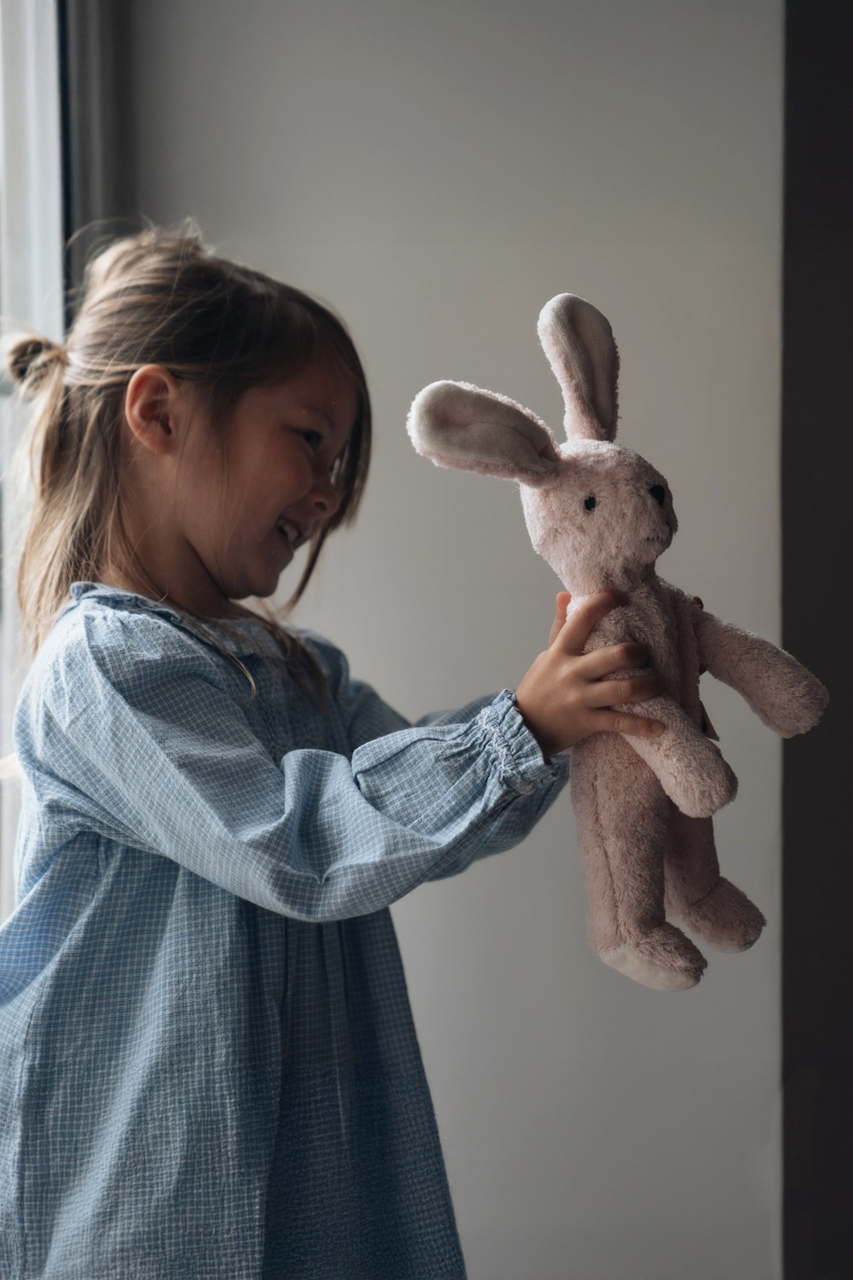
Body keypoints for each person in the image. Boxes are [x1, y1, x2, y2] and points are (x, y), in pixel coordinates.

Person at [0, 225, 665, 1280]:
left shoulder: (296, 670)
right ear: (158, 412)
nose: (326, 490)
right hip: (151, 1197)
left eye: (338, 459)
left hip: (309, 1174)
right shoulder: (105, 668)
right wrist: (521, 728)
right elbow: (301, 842)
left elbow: (410, 806)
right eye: (310, 439)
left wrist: (558, 707)